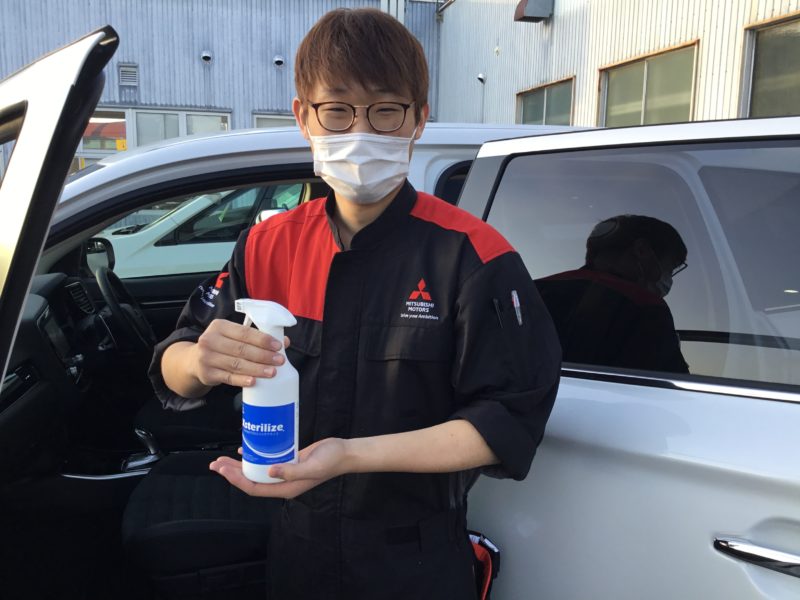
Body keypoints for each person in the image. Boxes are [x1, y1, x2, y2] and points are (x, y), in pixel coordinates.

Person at [149, 8, 561, 599]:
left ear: (418, 119)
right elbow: (173, 364)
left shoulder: (473, 256)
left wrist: (348, 456)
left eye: (385, 110)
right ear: (303, 117)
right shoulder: (266, 245)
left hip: (416, 556)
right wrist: (199, 361)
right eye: (337, 110)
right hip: (295, 548)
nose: (360, 132)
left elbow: (506, 422)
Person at [536, 214, 690, 373]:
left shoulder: (535, 290)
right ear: (642, 251)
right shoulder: (646, 308)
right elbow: (673, 379)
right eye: (669, 268)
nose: (668, 279)